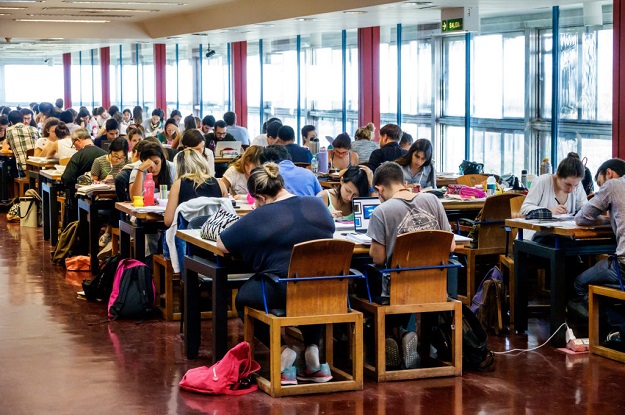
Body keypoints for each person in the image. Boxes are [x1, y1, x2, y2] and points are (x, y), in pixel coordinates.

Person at [216, 162, 335, 385]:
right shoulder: (318, 205)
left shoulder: (261, 215)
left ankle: (284, 350)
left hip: (279, 288)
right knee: (311, 287)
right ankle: (312, 352)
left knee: (242, 299)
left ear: (260, 197)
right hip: (325, 288)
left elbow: (222, 244)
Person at [366, 161, 453, 369]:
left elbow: (377, 259)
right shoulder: (433, 201)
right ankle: (401, 335)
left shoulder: (381, 211)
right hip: (435, 285)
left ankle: (388, 338)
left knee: (365, 279)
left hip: (398, 289)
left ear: (379, 188)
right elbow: (450, 246)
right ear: (404, 182)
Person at [569, 158, 625, 325]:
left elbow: (582, 217)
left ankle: (613, 328)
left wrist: (602, 219)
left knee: (579, 284)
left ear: (609, 173)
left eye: (600, 184)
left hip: (623, 268)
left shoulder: (613, 184)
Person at [164, 149, 227, 227]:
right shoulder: (221, 184)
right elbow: (227, 215)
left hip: (186, 236)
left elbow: (168, 221)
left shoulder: (178, 185)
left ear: (180, 167)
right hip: (213, 234)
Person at [520, 152, 587, 216]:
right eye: (567, 184)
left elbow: (585, 208)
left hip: (564, 227)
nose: (571, 190)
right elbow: (525, 209)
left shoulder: (577, 184)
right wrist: (549, 211)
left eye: (575, 185)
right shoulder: (542, 181)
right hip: (540, 227)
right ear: (558, 175)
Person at [62, 128, 107, 222]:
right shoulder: (105, 154)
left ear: (78, 140)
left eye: (74, 144)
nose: (75, 147)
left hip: (81, 198)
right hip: (104, 196)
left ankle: (71, 232)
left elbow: (67, 178)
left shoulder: (78, 156)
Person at [5, 110, 40, 176]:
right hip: (38, 166)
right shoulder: (34, 129)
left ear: (10, 122)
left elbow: (7, 145)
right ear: (22, 119)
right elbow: (41, 142)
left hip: (23, 167)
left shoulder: (9, 130)